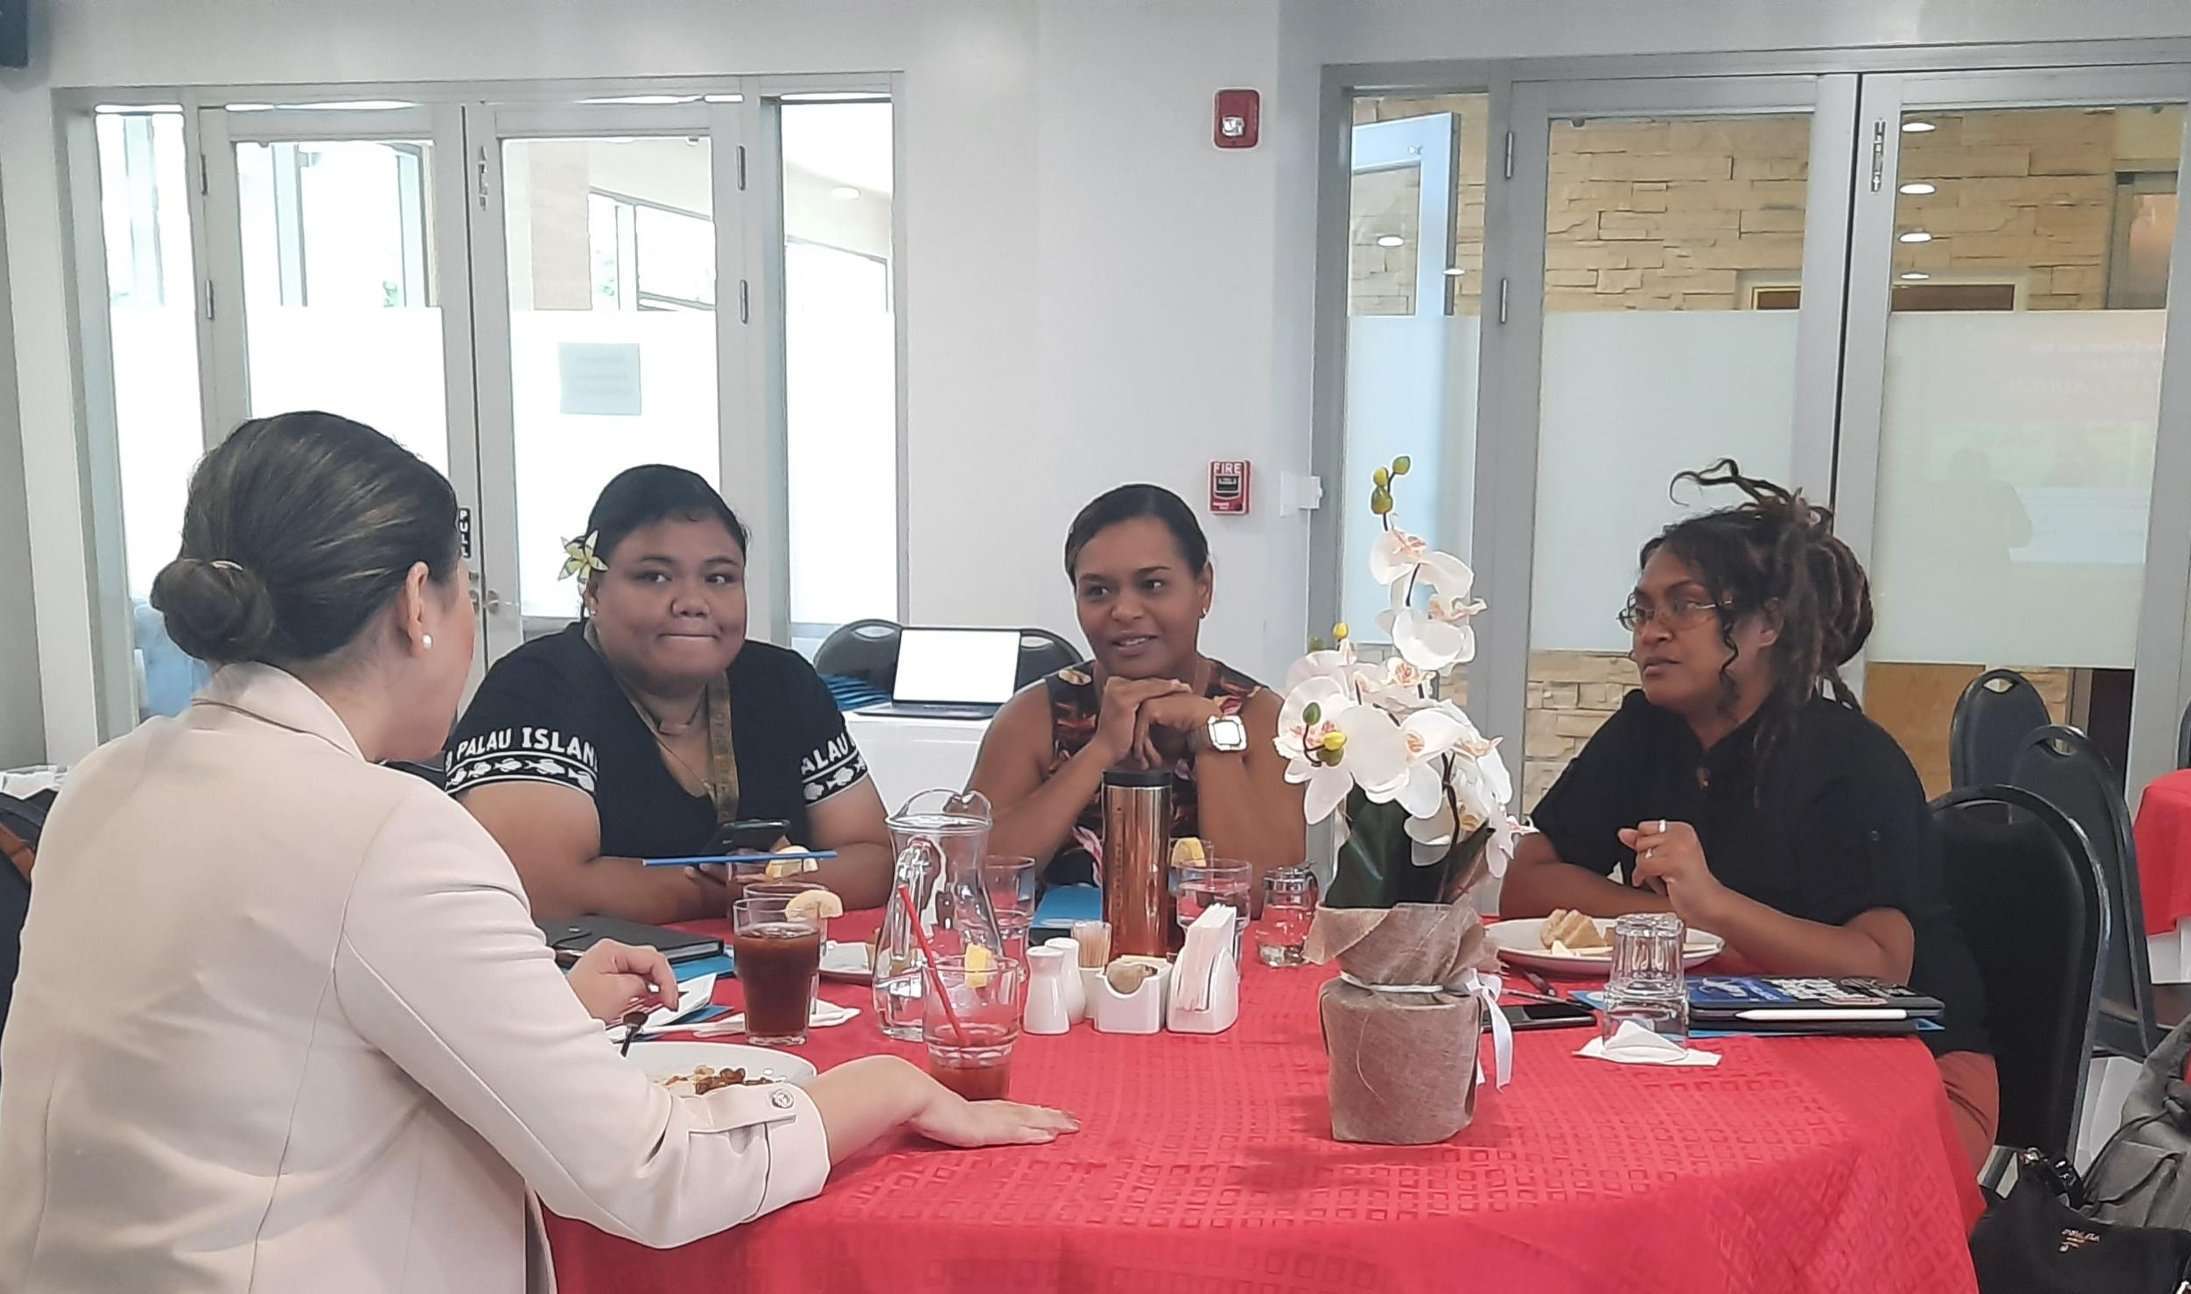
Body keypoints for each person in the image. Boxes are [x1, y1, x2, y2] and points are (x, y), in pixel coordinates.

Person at [0, 413, 1075, 1294]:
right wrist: (890, 1086)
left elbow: (266, 1040)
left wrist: (545, 1006)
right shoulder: (382, 827)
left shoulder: (108, 779)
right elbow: (648, 1171)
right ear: (421, 603)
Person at [1499, 460, 1996, 1169]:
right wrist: (1676, 928)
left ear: (1766, 624)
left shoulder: (1849, 757)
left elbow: (1879, 968)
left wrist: (1715, 908)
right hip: (1716, 1038)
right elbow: (1529, 882)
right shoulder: (1646, 728)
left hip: (1910, 1066)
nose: (1651, 633)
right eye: (1642, 610)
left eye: (1685, 605)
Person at [448, 465, 891, 922]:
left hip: (774, 974)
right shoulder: (535, 687)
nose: (692, 602)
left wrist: (762, 886)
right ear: (594, 591)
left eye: (719, 578)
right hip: (597, 986)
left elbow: (876, 858)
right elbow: (547, 891)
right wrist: (750, 891)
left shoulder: (783, 682)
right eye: (655, 577)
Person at [969, 484, 1304, 884]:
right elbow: (974, 879)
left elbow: (1264, 897)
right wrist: (1100, 750)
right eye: (1098, 591)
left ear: (1204, 588)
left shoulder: (1264, 718)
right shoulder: (1035, 717)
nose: (1124, 611)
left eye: (1153, 585)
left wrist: (1211, 735)